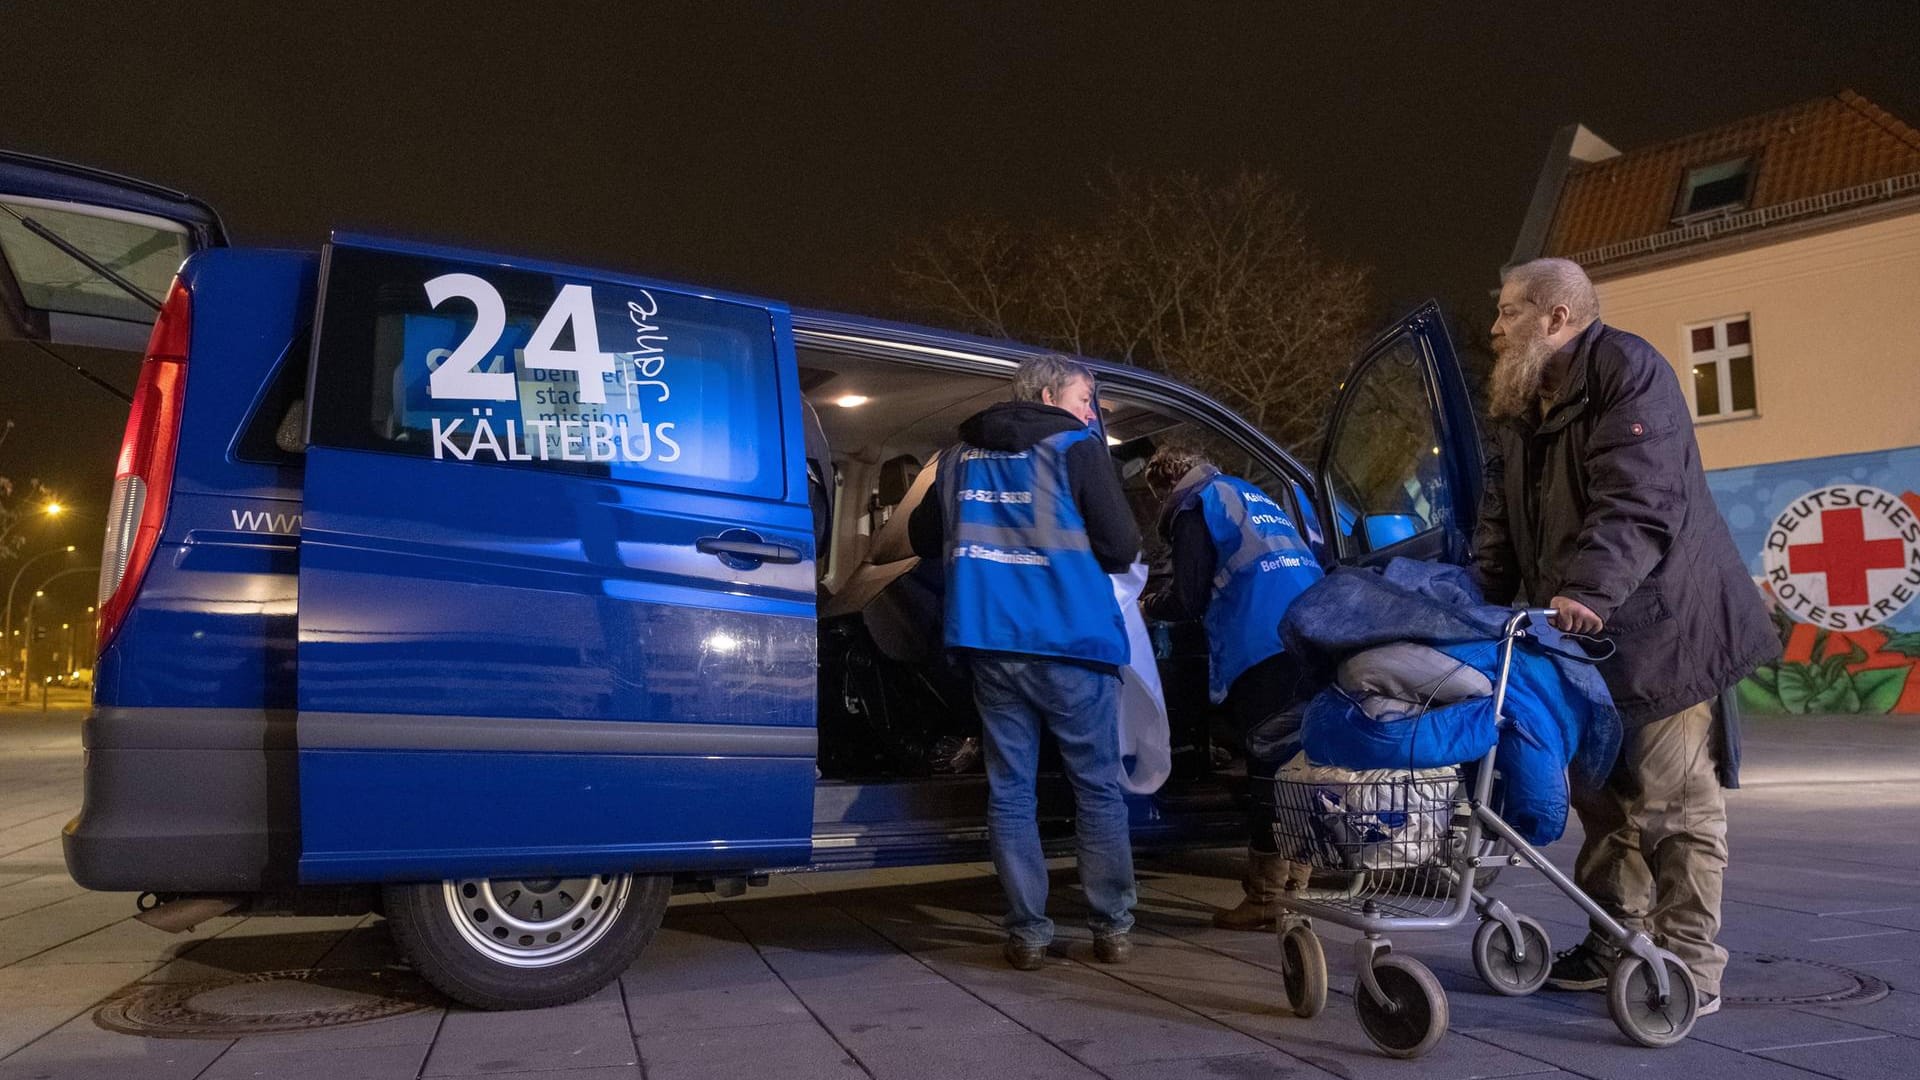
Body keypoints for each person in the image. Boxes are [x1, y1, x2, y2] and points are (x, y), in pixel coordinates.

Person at [1474, 257, 1779, 1016]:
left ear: (1556, 317)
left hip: (1663, 627)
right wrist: (1472, 605)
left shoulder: (1628, 369)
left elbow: (1640, 497)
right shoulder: (1522, 401)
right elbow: (1498, 520)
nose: (1494, 327)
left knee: (1675, 806)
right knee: (1603, 802)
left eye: (1510, 312)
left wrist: (1588, 591)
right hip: (1581, 641)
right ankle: (1618, 936)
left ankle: (1689, 964)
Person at [908, 354, 1144, 970]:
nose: (1092, 411)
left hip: (989, 642)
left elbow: (920, 540)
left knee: (1010, 791)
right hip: (1071, 641)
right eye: (1086, 397)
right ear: (1047, 394)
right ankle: (1112, 925)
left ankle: (1029, 935)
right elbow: (1122, 546)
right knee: (1095, 787)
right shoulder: (1074, 447)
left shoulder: (957, 456)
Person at [1141, 445, 1323, 930]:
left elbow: (1188, 597)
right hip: (1314, 635)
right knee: (1300, 765)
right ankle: (1297, 890)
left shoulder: (1194, 506)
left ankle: (1266, 897)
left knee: (1267, 766)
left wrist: (1147, 605)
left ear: (1162, 489)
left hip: (1263, 644)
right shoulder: (1246, 493)